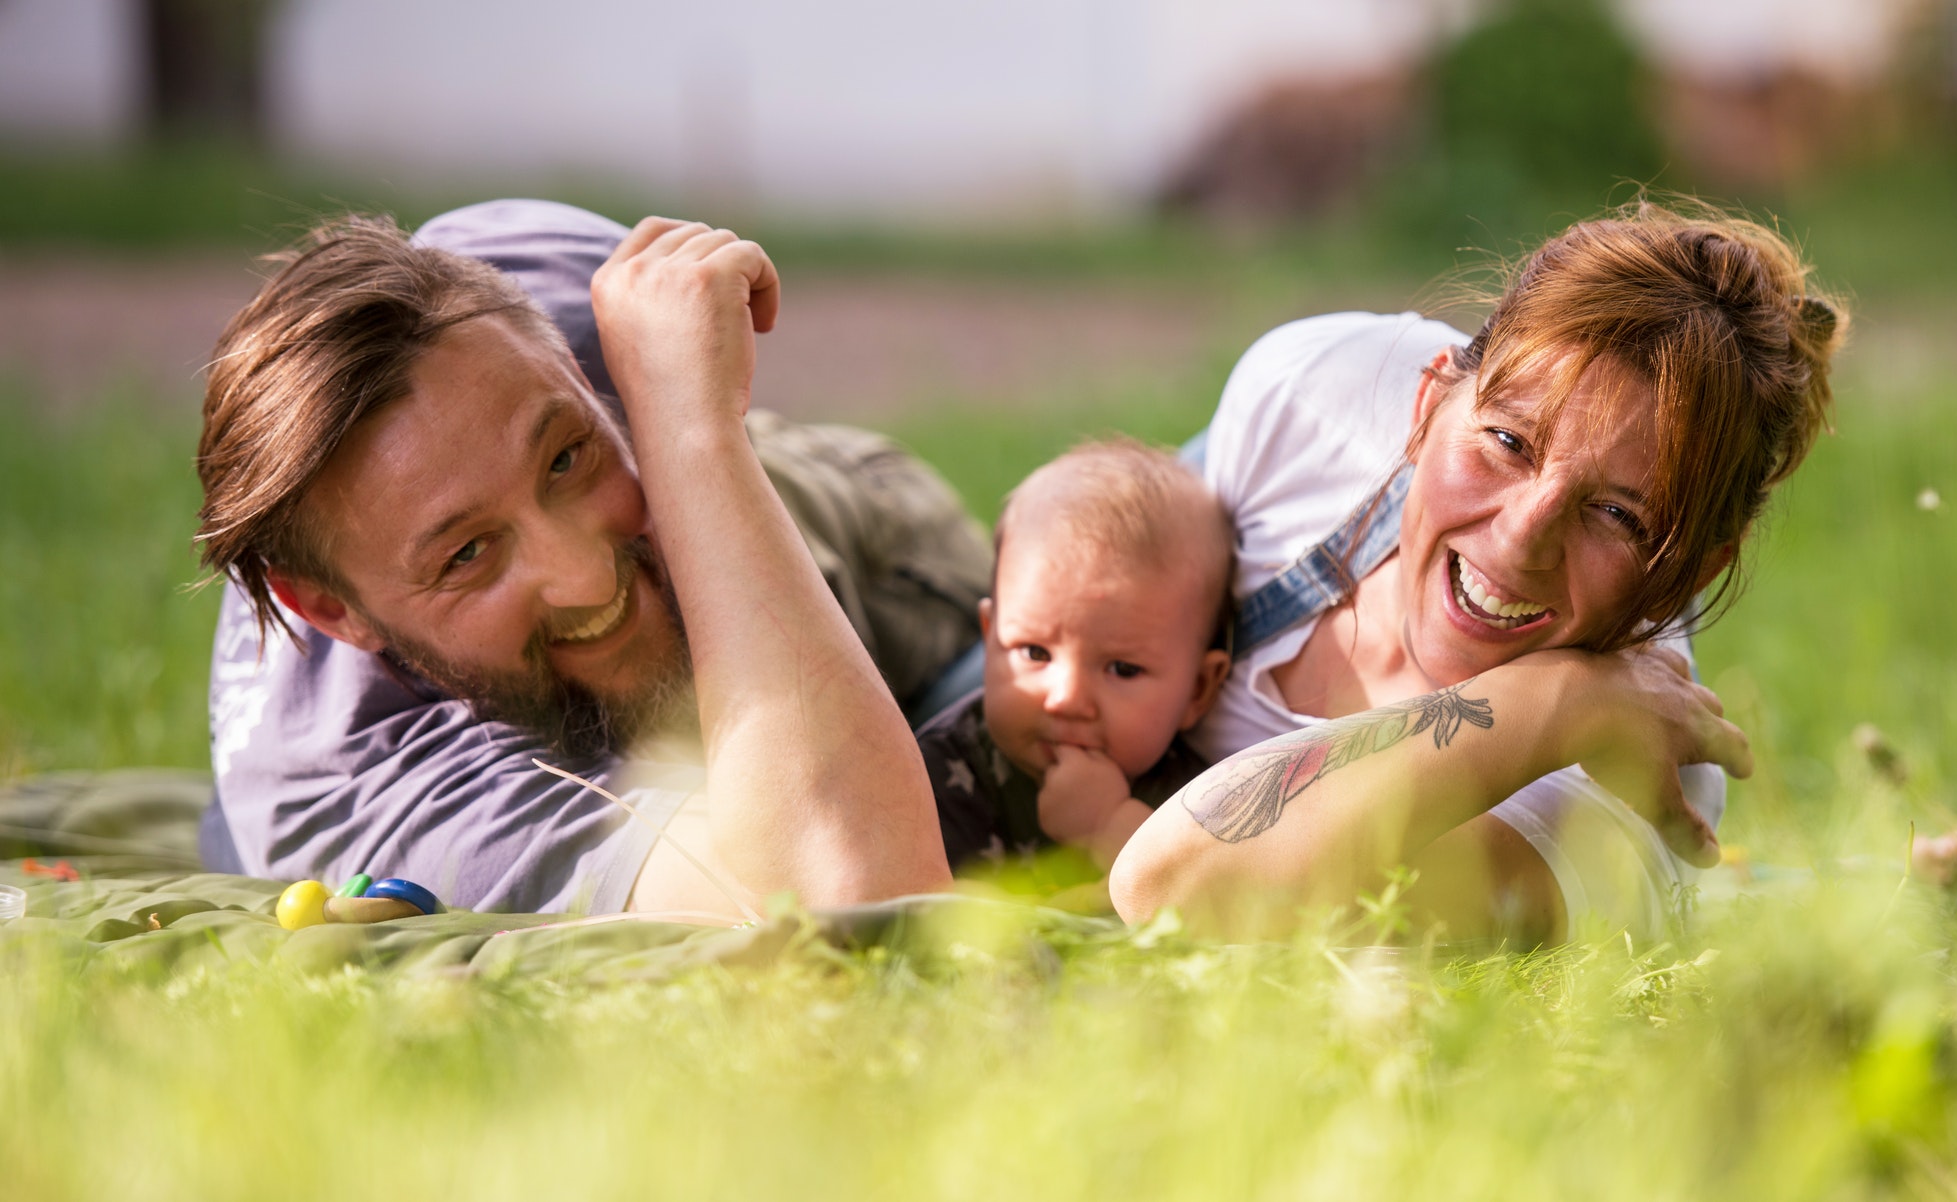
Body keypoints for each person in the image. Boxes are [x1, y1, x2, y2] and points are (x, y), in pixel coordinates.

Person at [195, 200, 991, 917]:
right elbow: (852, 896)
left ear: (579, 370)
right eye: (470, 555)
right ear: (333, 611)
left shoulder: (499, 295)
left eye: (565, 459)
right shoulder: (381, 797)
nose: (582, 574)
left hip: (872, 546)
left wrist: (685, 424)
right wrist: (688, 426)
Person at [1109, 200, 1846, 942]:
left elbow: (1171, 887)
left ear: (1694, 570)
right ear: (1427, 405)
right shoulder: (1317, 402)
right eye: (1506, 442)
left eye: (1620, 515)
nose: (1524, 537)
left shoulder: (1629, 800)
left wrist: (1558, 700)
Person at [918, 440, 1233, 871]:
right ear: (991, 638)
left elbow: (1220, 908)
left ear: (1198, 690)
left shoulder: (1202, 794)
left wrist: (1109, 826)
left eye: (1122, 669)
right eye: (1034, 652)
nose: (1065, 698)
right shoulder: (935, 779)